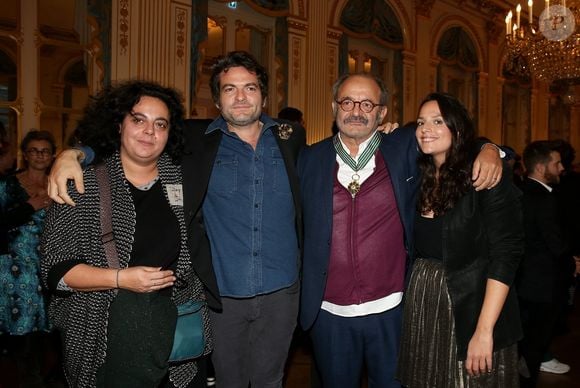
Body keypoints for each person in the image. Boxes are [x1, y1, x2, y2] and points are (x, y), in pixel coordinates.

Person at [46, 51, 306, 388]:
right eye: (229, 89)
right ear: (216, 100)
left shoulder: (290, 138)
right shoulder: (196, 142)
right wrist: (74, 154)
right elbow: (55, 268)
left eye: (250, 88)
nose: (240, 97)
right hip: (199, 301)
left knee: (269, 380)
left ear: (265, 96)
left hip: (244, 299)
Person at [297, 73, 503, 387]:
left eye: (367, 104)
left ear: (382, 113)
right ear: (334, 107)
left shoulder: (405, 147)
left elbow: (455, 139)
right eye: (348, 102)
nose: (356, 110)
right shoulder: (309, 159)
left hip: (393, 311)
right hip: (329, 313)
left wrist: (492, 150)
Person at [39, 81, 211, 388]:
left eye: (160, 124)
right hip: (104, 328)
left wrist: (75, 152)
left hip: (177, 326)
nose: (150, 131)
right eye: (138, 119)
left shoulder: (183, 177)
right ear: (119, 125)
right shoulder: (83, 183)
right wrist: (121, 279)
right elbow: (56, 271)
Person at [396, 92, 523, 387]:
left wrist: (484, 330)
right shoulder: (418, 175)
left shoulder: (485, 175)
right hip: (423, 301)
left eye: (438, 121)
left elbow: (506, 253)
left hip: (472, 303)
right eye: (421, 122)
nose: (426, 129)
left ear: (457, 128)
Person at [517, 140, 576, 387]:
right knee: (534, 347)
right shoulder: (542, 198)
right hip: (543, 285)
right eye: (556, 163)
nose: (561, 167)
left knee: (526, 345)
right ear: (541, 168)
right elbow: (553, 243)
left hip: (524, 283)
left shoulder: (521, 190)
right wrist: (571, 263)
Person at [0, 130, 54, 386]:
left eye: (45, 150)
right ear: (25, 153)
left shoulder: (60, 183)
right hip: (15, 269)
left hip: (49, 267)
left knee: (48, 331)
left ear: (53, 154)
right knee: (22, 329)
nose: (40, 155)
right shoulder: (8, 184)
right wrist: (29, 207)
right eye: (34, 150)